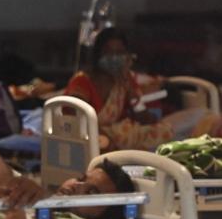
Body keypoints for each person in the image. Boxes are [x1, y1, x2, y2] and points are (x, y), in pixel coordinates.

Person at [65, 28, 195, 152]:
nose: (114, 57)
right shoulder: (82, 81)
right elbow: (77, 119)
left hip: (121, 136)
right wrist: (106, 140)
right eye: (108, 52)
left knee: (173, 132)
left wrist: (131, 92)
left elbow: (144, 117)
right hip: (92, 138)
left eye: (119, 52)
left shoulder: (124, 79)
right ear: (98, 54)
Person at [0, 150, 135, 219]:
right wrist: (5, 187)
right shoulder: (35, 196)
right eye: (81, 178)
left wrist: (16, 209)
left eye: (91, 192)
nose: (77, 186)